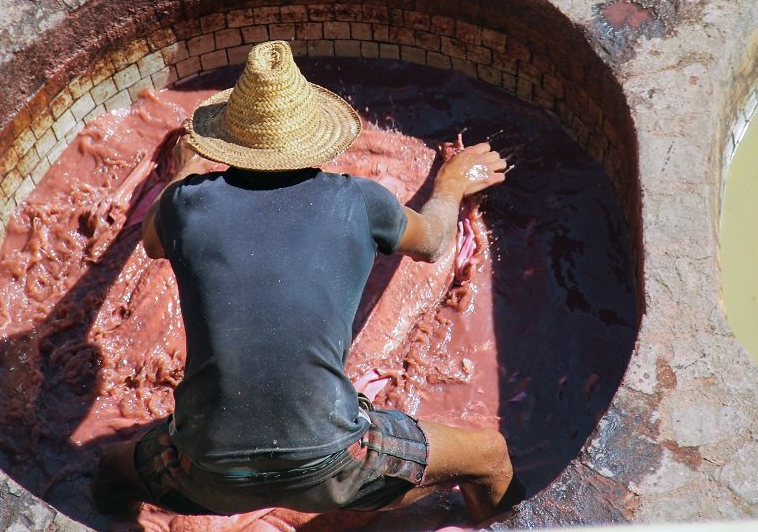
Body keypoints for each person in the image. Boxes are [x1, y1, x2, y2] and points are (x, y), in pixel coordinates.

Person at [95, 40, 521, 520]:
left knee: (109, 473)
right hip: (337, 464)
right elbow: (434, 243)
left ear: (228, 142)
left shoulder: (181, 206)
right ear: (320, 137)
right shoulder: (360, 201)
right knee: (489, 457)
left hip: (201, 471)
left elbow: (152, 242)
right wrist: (451, 185)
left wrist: (184, 173)